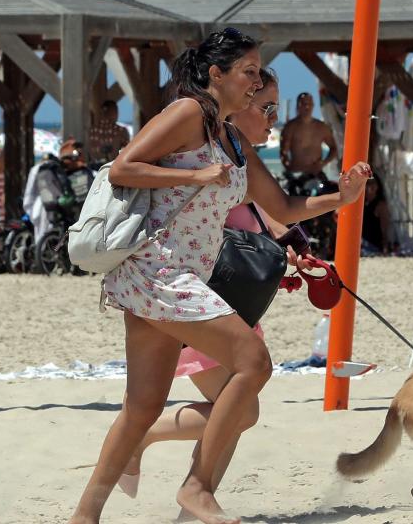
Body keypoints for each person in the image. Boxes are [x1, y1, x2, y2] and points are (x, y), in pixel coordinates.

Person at [69, 28, 370, 524]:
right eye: (249, 72)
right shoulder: (189, 112)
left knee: (143, 407)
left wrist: (343, 197)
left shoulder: (231, 138)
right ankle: (197, 487)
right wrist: (192, 176)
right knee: (252, 362)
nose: (256, 82)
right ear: (217, 74)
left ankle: (85, 515)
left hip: (180, 276)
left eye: (258, 72)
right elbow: (124, 167)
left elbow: (284, 206)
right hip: (158, 270)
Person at [115, 68, 296, 521]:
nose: (275, 116)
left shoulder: (236, 155)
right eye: (267, 105)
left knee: (237, 409)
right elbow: (229, 226)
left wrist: (291, 252)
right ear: (243, 98)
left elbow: (266, 220)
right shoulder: (216, 151)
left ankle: (194, 503)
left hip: (228, 302)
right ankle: (152, 442)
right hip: (199, 301)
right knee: (240, 409)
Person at [280, 92, 338, 187]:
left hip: (316, 174)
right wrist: (289, 169)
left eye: (309, 104)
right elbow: (283, 153)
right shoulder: (290, 127)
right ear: (298, 105)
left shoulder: (322, 127)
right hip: (296, 174)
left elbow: (334, 148)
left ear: (313, 105)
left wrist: (323, 163)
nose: (307, 107)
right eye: (304, 103)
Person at [87, 99, 131, 166]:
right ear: (114, 112)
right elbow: (128, 152)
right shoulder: (120, 131)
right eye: (116, 111)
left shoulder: (91, 131)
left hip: (94, 168)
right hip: (113, 168)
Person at [361, 174, 394, 255]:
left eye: (373, 183)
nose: (370, 186)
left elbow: (384, 227)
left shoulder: (380, 205)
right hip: (362, 242)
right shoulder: (362, 204)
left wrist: (385, 247)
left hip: (372, 244)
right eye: (368, 183)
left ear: (378, 186)